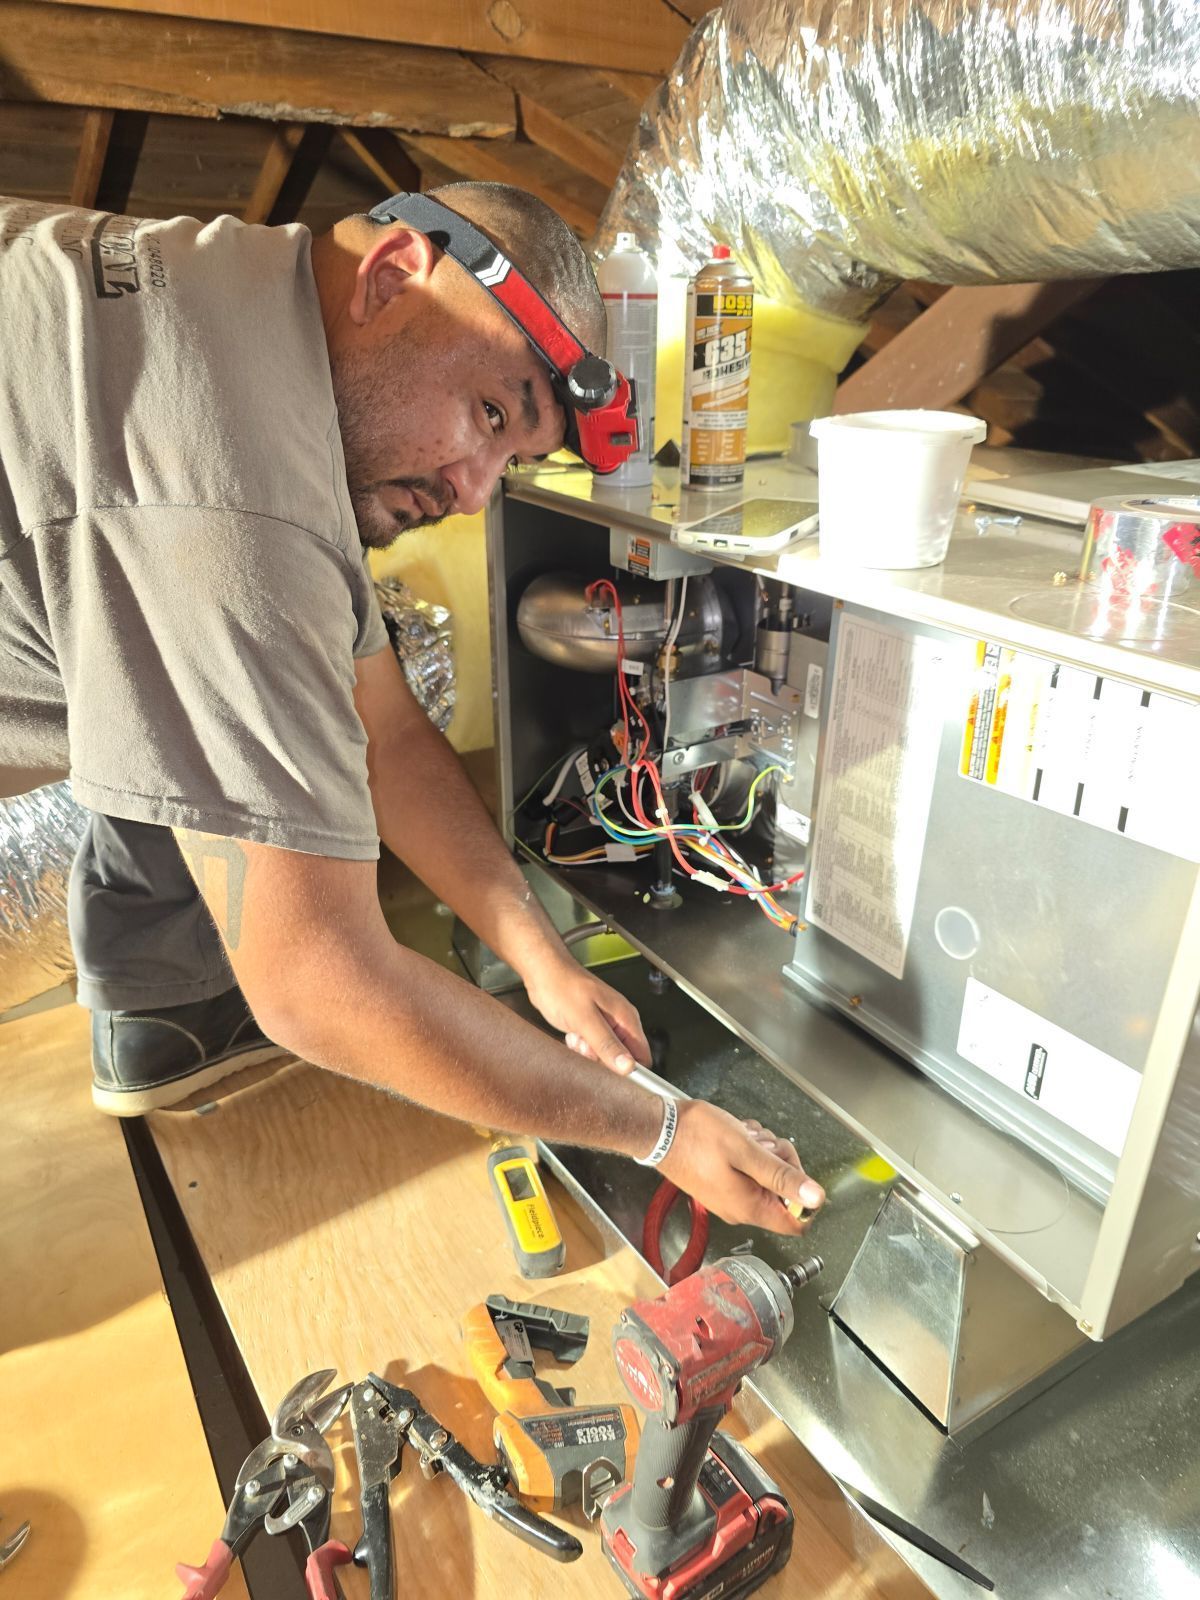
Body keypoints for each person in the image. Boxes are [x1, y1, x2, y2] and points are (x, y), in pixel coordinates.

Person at [0, 181, 824, 1233]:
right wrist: (658, 1128)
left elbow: (384, 730)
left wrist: (544, 961)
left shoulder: (249, 323)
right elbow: (317, 982)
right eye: (489, 411)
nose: (478, 491)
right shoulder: (230, 486)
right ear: (393, 276)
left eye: (513, 456)